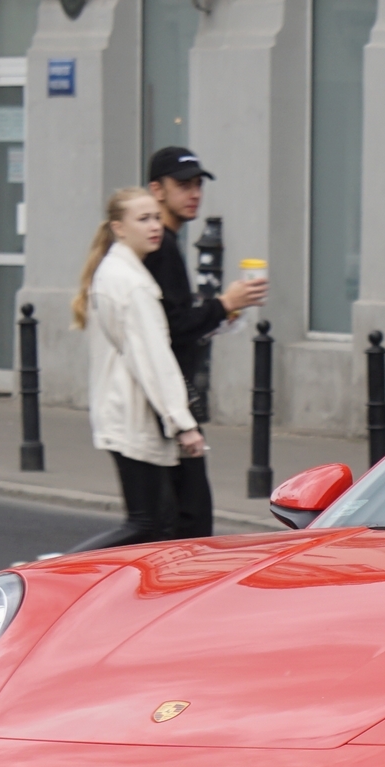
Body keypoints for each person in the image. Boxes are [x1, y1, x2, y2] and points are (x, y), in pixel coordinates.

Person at [67, 188, 205, 552]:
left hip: (124, 410)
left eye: (156, 217)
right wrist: (183, 422)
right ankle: (57, 571)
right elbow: (152, 359)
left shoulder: (119, 272)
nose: (155, 226)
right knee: (147, 524)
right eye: (143, 219)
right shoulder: (131, 284)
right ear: (119, 228)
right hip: (129, 413)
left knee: (155, 526)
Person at [143, 147, 268, 539]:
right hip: (167, 398)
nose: (194, 193)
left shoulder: (168, 245)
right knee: (185, 519)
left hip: (172, 396)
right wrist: (222, 303)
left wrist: (220, 314)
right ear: (157, 190)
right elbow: (173, 326)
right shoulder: (160, 248)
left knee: (177, 517)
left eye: (198, 185)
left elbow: (178, 321)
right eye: (183, 185)